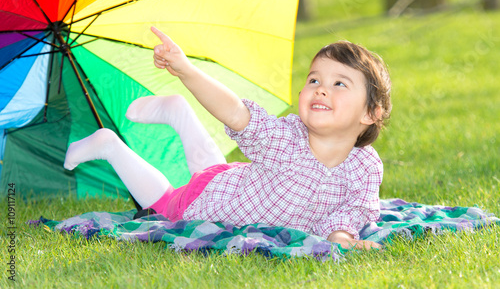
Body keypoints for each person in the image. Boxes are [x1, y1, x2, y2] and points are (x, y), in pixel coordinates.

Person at [64, 27, 392, 250]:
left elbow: (351, 211)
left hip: (230, 181)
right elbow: (236, 114)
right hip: (211, 200)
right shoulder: (286, 139)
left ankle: (180, 114)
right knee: (163, 205)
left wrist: (341, 237)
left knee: (208, 169)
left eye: (340, 84)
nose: (321, 87)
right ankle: (110, 146)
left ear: (370, 114)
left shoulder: (365, 166)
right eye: (314, 78)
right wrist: (186, 70)